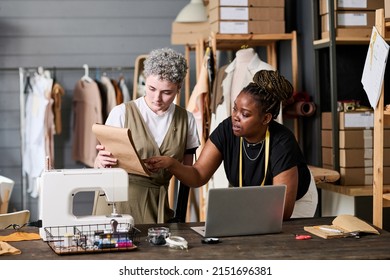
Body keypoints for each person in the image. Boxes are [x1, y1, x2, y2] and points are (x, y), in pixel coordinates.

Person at [145, 70, 318, 220]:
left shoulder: (282, 142)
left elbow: (283, 211)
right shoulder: (228, 129)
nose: (235, 116)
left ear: (266, 118)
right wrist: (172, 164)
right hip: (257, 203)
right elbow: (198, 175)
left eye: (245, 114)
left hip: (296, 204)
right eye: (235, 109)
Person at [94, 47, 200, 224]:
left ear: (178, 88)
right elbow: (102, 166)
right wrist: (99, 162)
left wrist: (180, 215)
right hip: (115, 205)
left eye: (167, 92)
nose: (157, 98)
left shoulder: (186, 120)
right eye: (151, 88)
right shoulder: (121, 113)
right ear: (145, 80)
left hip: (156, 206)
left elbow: (187, 176)